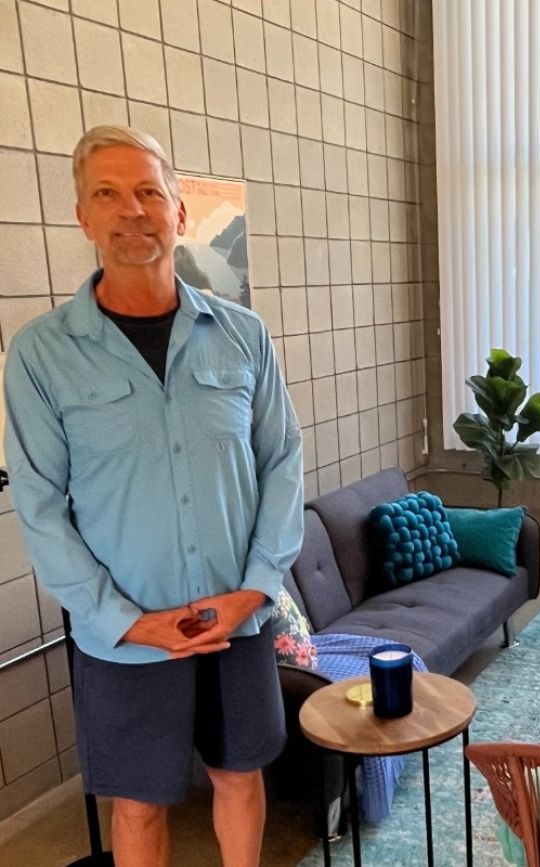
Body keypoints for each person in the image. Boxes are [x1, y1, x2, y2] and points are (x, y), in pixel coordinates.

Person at [2, 126, 303, 867]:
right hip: (124, 634)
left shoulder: (242, 336)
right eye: (107, 192)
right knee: (137, 803)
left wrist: (257, 589)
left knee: (240, 776)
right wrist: (124, 621)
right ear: (82, 215)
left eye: (147, 191)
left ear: (177, 211)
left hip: (237, 616)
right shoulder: (41, 355)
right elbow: (40, 508)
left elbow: (283, 462)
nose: (130, 210)